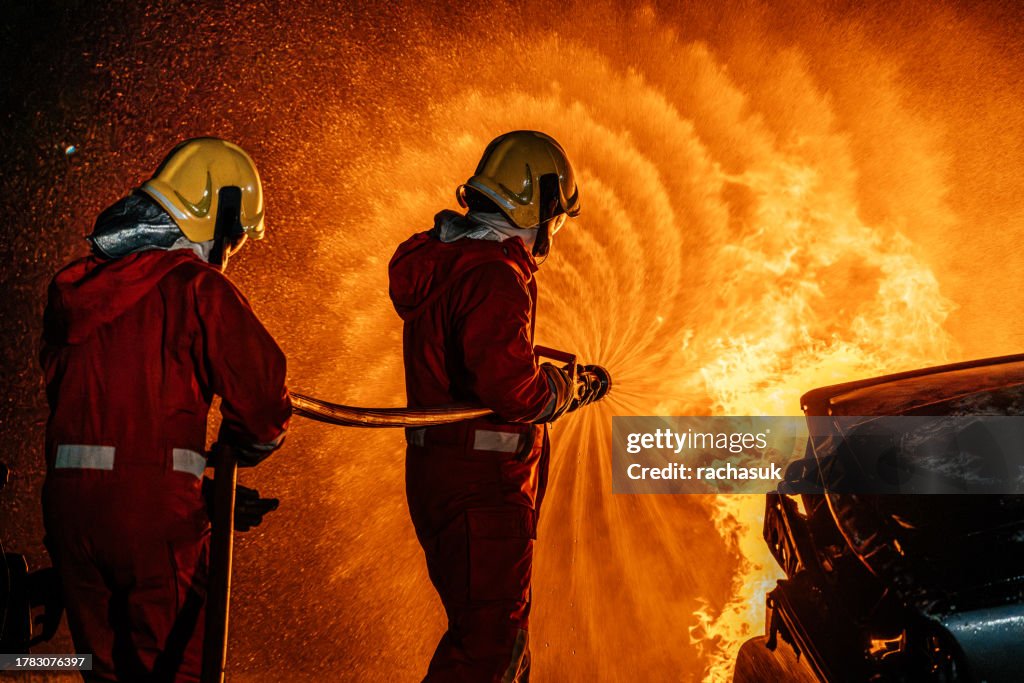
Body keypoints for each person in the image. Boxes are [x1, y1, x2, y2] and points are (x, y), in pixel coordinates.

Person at [40, 137, 290, 682]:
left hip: (68, 509)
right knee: (176, 671)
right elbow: (263, 396)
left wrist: (205, 481)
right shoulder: (197, 286)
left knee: (101, 669)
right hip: (153, 521)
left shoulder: (73, 289)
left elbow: (112, 422)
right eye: (237, 234)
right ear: (219, 218)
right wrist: (239, 452)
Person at [389, 130, 598, 682]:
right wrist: (562, 391)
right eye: (557, 218)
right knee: (489, 651)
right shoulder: (494, 277)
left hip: (447, 478)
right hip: (485, 488)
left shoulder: (450, 260)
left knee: (490, 641)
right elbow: (513, 391)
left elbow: (481, 359)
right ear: (544, 206)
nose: (552, 233)